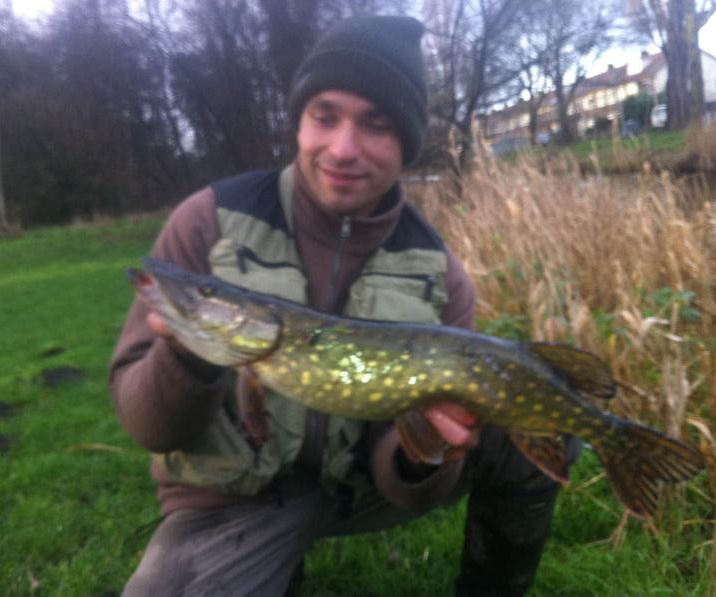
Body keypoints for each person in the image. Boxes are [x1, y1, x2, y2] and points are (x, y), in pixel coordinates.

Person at [110, 15, 572, 596]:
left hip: (367, 485)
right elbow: (148, 428)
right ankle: (273, 560)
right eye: (324, 116)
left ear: (405, 144)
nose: (343, 149)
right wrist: (187, 355)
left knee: (548, 408)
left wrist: (421, 453)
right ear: (299, 122)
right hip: (238, 500)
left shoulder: (437, 272)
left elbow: (410, 481)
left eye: (376, 125)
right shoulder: (209, 222)